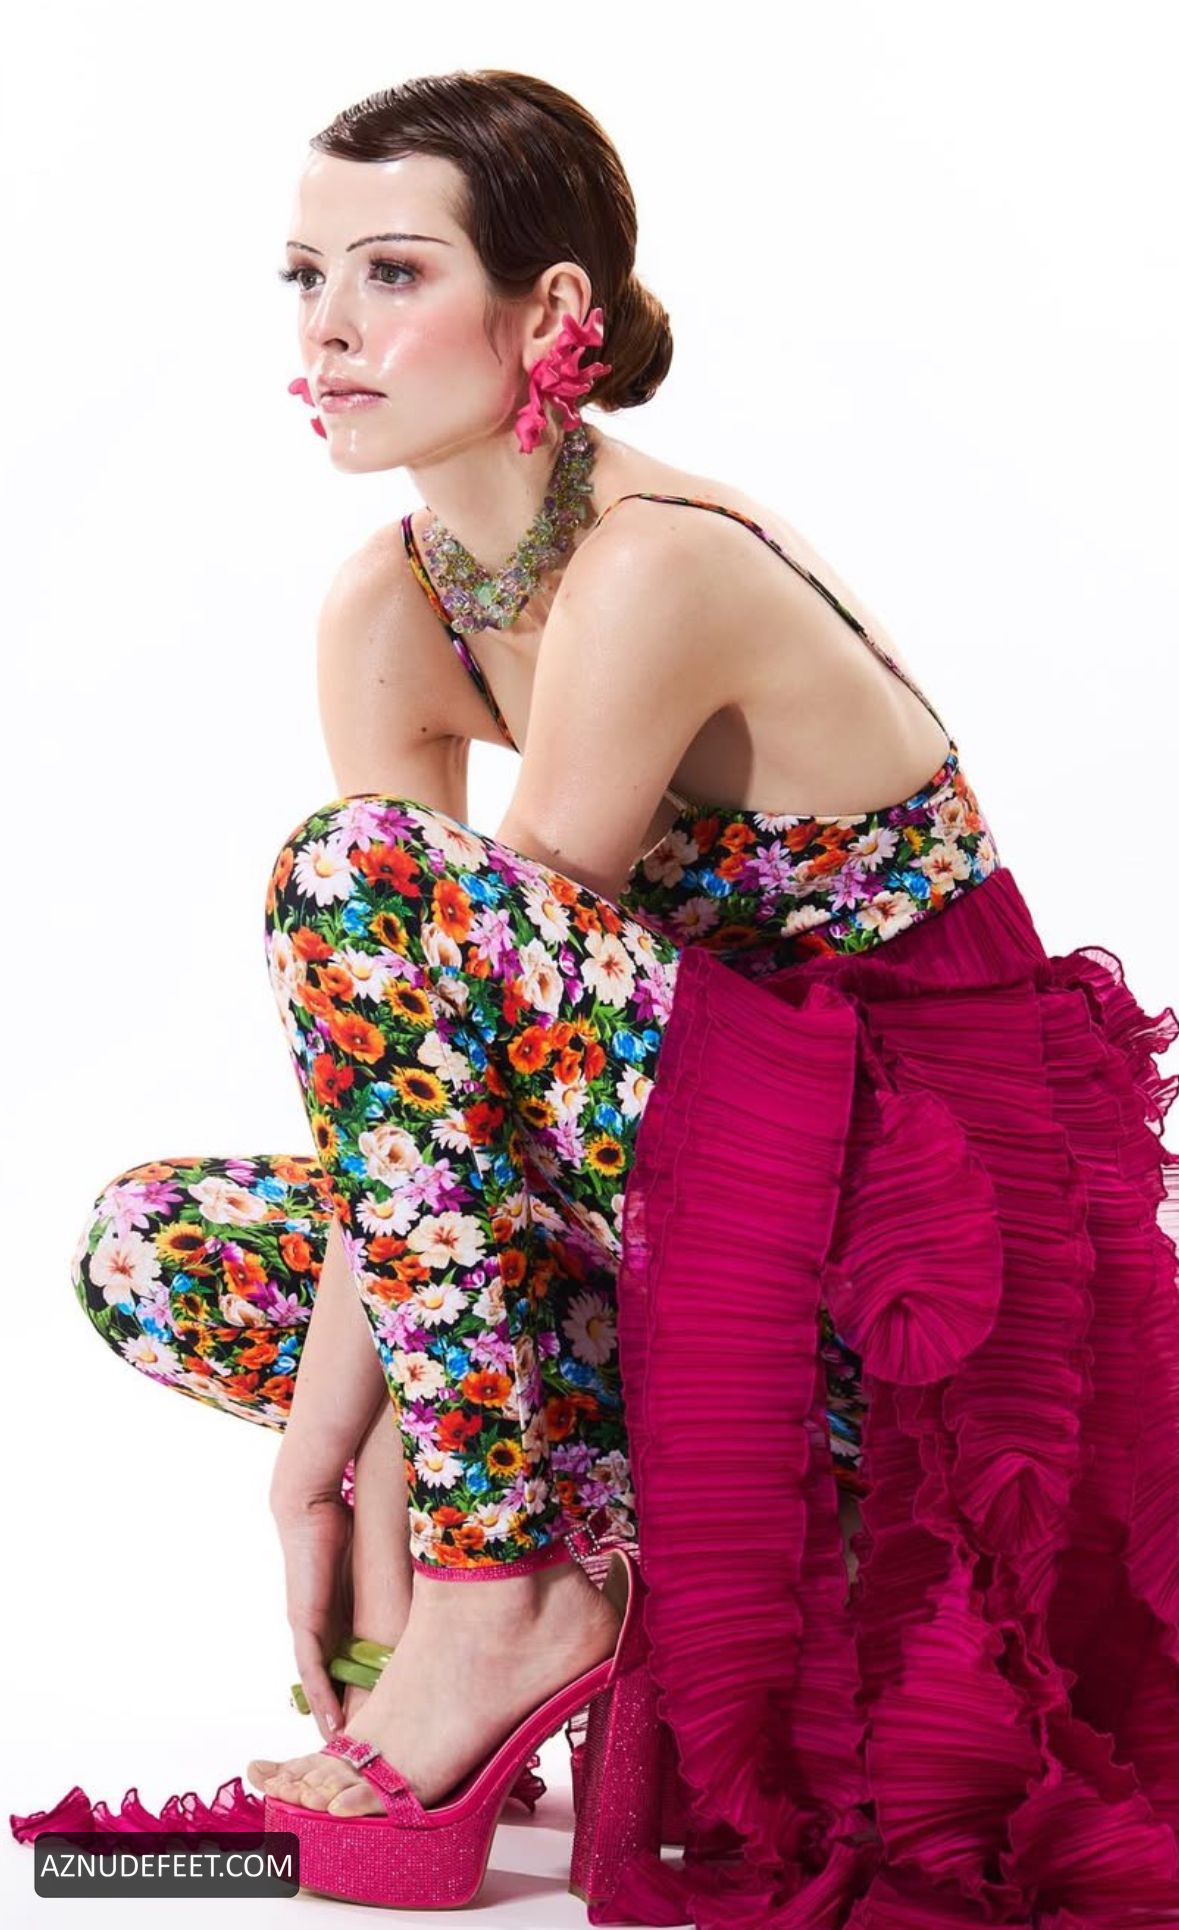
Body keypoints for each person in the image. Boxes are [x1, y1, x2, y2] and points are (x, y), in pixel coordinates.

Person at [22, 65, 1179, 1925]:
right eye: (304, 274)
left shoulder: (657, 568)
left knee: (355, 873)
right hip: (679, 1243)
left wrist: (369, 1464)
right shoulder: (389, 607)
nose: (327, 327)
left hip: (914, 1271)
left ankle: (510, 1598)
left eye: (393, 271)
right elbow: (407, 1096)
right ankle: (588, 1572)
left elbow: (455, 995)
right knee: (157, 1249)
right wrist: (333, 1447)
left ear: (550, 308)